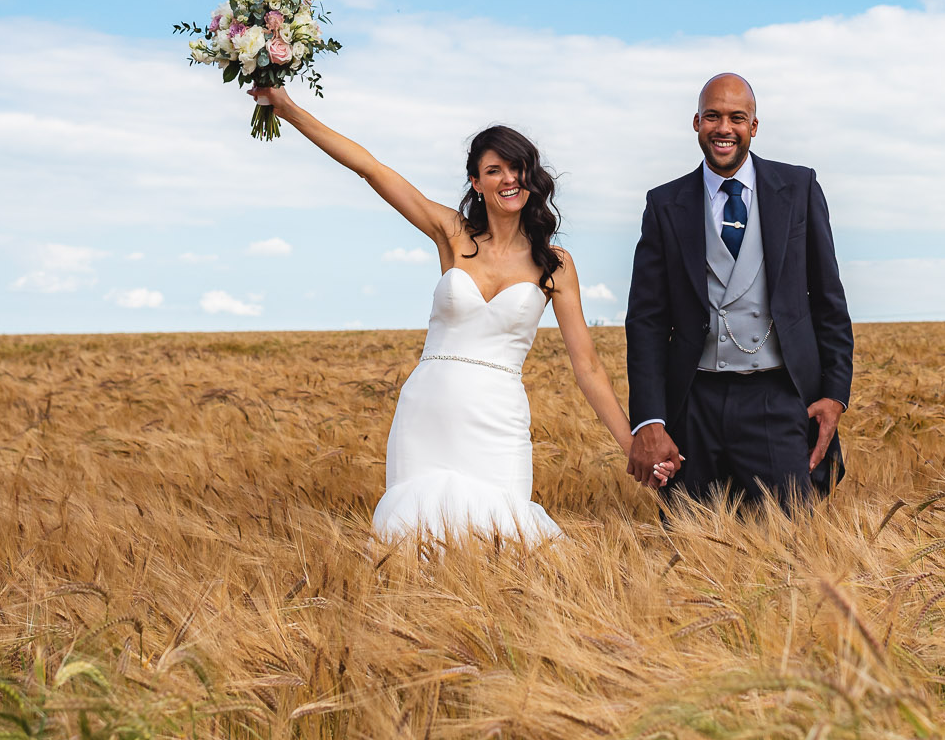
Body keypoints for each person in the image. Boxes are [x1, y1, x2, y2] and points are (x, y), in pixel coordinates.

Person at [248, 84, 672, 540]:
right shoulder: (452, 234)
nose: (508, 179)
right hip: (426, 413)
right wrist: (288, 108)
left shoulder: (556, 264)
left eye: (517, 168)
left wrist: (631, 445)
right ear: (476, 182)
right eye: (494, 170)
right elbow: (370, 169)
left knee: (504, 538)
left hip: (498, 419)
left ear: (531, 176)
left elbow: (587, 367)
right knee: (415, 541)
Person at [622, 73, 853, 510]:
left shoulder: (799, 188)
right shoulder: (664, 204)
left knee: (789, 548)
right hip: (693, 402)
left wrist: (836, 393)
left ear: (754, 126)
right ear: (696, 122)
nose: (723, 128)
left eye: (736, 117)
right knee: (692, 553)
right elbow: (646, 321)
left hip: (778, 396)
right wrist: (650, 419)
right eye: (712, 116)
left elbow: (828, 298)